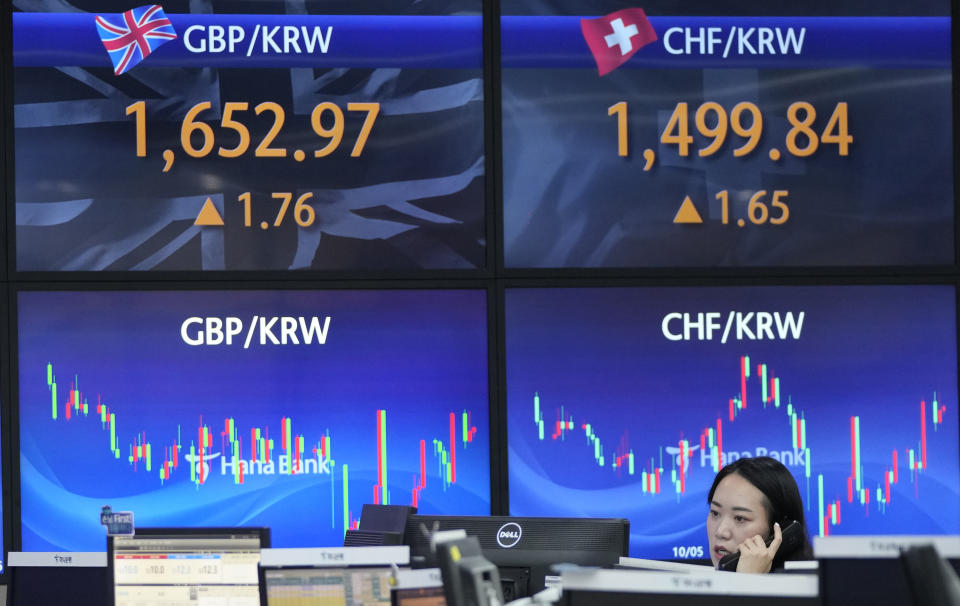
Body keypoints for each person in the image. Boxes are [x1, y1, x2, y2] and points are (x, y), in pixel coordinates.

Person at [706, 456, 814, 573]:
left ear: (779, 531)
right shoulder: (694, 583)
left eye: (739, 518)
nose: (720, 532)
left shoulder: (814, 587)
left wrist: (748, 582)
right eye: (715, 513)